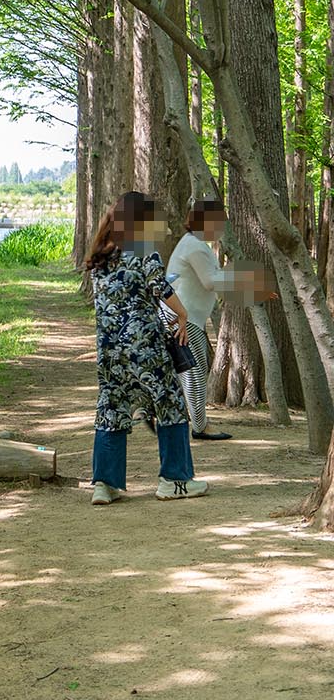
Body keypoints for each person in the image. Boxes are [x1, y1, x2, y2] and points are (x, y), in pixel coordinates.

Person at [83, 190, 205, 505]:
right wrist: (182, 313)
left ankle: (104, 486)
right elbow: (159, 287)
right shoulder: (143, 251)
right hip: (145, 346)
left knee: (111, 409)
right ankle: (175, 480)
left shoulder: (100, 257)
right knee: (171, 405)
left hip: (109, 349)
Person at [166, 199, 234, 442]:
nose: (222, 227)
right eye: (219, 222)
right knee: (194, 370)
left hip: (187, 316)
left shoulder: (194, 244)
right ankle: (200, 426)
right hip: (184, 318)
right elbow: (210, 281)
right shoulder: (194, 246)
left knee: (190, 369)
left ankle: (186, 418)